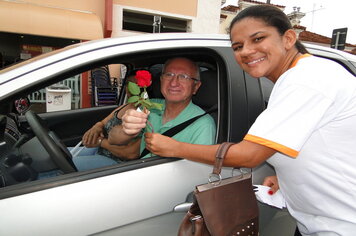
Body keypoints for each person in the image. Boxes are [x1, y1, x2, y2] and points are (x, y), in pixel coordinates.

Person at [143, 5, 356, 236]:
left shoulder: (308, 79)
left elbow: (249, 155)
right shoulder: (294, 80)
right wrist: (287, 179)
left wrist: (174, 147)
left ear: (288, 38)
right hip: (316, 221)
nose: (246, 51)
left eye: (258, 38)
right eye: (238, 46)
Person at [108, 57, 216, 158]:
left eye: (183, 77)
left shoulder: (203, 124)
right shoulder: (149, 106)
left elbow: (199, 172)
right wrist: (127, 131)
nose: (173, 83)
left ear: (196, 87)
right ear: (161, 80)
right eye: (169, 75)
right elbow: (113, 139)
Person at [72, 75, 139, 171]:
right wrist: (96, 127)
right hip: (100, 150)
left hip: (117, 162)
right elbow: (102, 122)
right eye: (128, 84)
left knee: (62, 167)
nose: (129, 88)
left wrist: (100, 142)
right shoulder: (124, 106)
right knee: (60, 156)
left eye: (135, 84)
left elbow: (130, 154)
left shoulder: (146, 113)